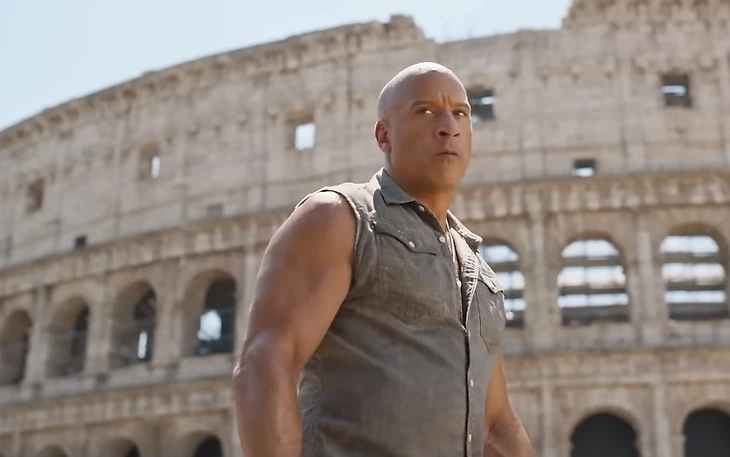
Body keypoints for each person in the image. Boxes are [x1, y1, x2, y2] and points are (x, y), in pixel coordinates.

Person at [233, 62, 533, 457]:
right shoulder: (338, 218)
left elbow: (496, 423)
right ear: (384, 134)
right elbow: (267, 362)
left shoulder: (477, 267)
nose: (449, 127)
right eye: (425, 111)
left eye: (461, 113)